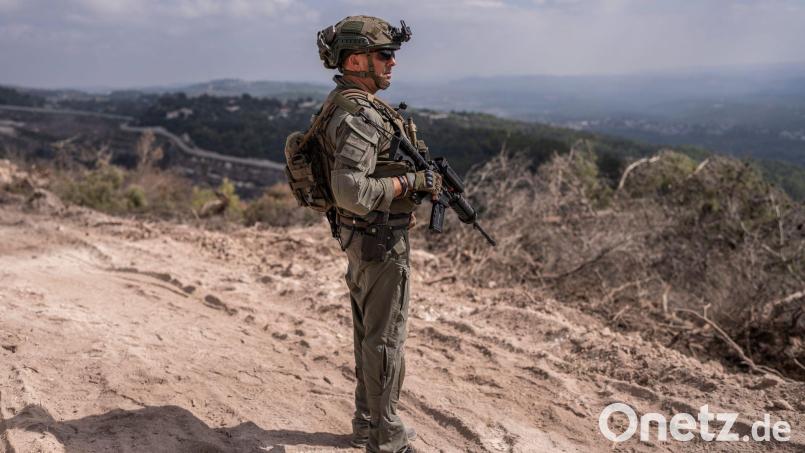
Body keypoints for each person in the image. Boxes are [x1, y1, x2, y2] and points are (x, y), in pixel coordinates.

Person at [313, 15, 442, 453]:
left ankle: (368, 425)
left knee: (370, 335)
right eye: (384, 55)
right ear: (355, 60)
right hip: (379, 240)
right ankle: (387, 438)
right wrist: (411, 184)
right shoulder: (358, 115)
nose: (392, 63)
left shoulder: (346, 103)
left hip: (364, 237)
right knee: (385, 339)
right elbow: (350, 190)